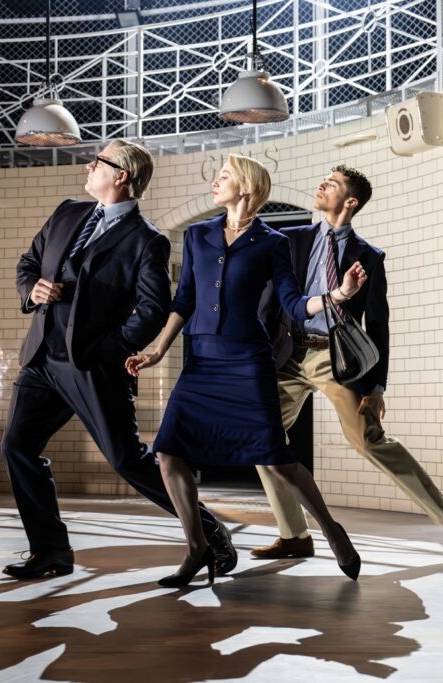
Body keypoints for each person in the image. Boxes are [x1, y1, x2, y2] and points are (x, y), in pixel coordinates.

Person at [1, 140, 237, 580]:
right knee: (17, 446)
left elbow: (151, 310)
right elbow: (28, 263)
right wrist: (30, 290)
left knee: (127, 460)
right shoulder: (68, 212)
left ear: (121, 175)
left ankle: (207, 532)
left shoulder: (146, 240)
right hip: (41, 359)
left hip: (92, 367)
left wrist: (105, 351)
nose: (89, 166)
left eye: (99, 161)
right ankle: (50, 551)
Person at [126, 154, 366, 586]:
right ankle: (197, 546)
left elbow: (293, 304)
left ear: (247, 188)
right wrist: (158, 350)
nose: (215, 184)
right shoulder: (198, 236)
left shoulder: (272, 242)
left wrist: (337, 294)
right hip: (201, 361)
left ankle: (331, 530)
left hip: (247, 362)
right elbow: (184, 301)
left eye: (223, 178)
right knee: (168, 453)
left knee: (276, 461)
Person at [251, 165, 443, 563]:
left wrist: (376, 388)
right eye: (322, 178)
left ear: (350, 202)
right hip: (286, 352)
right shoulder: (289, 240)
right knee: (261, 435)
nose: (321, 183)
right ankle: (294, 535)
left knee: (368, 439)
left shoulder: (370, 257)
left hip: (336, 357)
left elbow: (378, 326)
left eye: (332, 183)